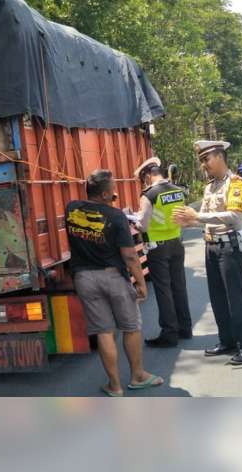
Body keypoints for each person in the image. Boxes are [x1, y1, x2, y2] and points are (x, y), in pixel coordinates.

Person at [65, 169, 164, 396]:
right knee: (130, 326)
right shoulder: (116, 216)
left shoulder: (71, 209)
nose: (115, 193)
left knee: (104, 331)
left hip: (84, 279)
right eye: (112, 191)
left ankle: (115, 385)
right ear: (105, 194)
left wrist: (106, 200)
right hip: (113, 277)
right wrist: (140, 282)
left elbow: (93, 213)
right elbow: (130, 256)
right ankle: (138, 376)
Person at [172, 140, 242, 365]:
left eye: (206, 159)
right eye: (201, 161)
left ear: (220, 157)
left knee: (237, 298)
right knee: (218, 298)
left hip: (231, 247)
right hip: (212, 246)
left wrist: (196, 217)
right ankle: (227, 341)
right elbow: (202, 220)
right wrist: (186, 222)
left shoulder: (237, 183)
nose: (203, 165)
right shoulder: (210, 186)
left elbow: (233, 216)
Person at [132, 157, 192, 347]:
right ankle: (185, 328)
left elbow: (142, 225)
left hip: (157, 248)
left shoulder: (149, 195)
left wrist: (132, 219)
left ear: (148, 175)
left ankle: (169, 333)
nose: (145, 182)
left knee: (164, 290)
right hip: (176, 242)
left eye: (144, 179)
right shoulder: (178, 190)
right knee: (179, 286)